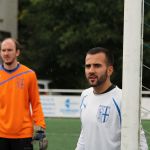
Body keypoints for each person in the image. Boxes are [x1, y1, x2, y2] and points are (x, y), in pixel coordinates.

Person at [75, 47, 148, 150]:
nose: (91, 70)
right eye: (88, 66)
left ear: (109, 70)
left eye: (97, 66)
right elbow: (84, 133)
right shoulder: (85, 95)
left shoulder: (123, 99)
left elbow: (140, 143)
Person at [0, 38, 47, 150]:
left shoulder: (29, 74)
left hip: (23, 135)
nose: (6, 53)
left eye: (10, 50)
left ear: (17, 52)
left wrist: (41, 127)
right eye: (3, 50)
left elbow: (36, 104)